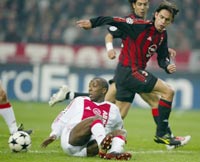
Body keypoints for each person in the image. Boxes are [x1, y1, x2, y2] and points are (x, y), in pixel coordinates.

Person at [76, 0, 191, 146]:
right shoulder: (138, 26)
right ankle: (163, 134)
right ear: (156, 15)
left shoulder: (162, 35)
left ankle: (85, 137)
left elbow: (162, 58)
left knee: (117, 116)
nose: (163, 21)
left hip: (130, 74)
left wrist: (167, 66)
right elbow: (113, 20)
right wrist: (92, 23)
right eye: (161, 17)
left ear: (170, 21)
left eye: (167, 20)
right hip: (130, 71)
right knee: (168, 91)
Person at [41, 77, 131, 160]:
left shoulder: (113, 109)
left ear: (103, 90)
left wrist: (116, 141)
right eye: (89, 87)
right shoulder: (80, 100)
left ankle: (114, 153)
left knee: (122, 132)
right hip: (72, 140)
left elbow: (119, 129)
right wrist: (54, 134)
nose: (90, 89)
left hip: (88, 149)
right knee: (96, 119)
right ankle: (102, 145)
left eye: (94, 86)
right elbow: (62, 118)